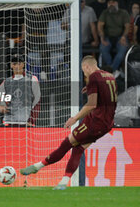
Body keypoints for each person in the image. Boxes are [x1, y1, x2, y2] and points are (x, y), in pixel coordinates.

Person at [20, 55, 117, 190]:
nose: (85, 74)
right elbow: (108, 96)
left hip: (95, 122)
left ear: (87, 67)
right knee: (78, 149)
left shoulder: (94, 76)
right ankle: (63, 183)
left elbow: (92, 104)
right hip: (107, 123)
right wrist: (89, 88)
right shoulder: (109, 76)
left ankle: (38, 166)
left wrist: (75, 118)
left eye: (84, 71)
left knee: (66, 144)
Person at [0, 54, 40, 126]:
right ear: (11, 65)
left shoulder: (32, 79)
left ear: (23, 64)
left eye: (19, 63)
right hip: (9, 122)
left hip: (25, 122)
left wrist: (31, 120)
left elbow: (37, 101)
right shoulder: (7, 81)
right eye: (14, 64)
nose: (17, 66)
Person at [98, 0, 130, 71]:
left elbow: (127, 26)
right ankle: (113, 70)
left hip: (120, 37)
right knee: (103, 49)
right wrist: (102, 38)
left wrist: (123, 37)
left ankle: (111, 71)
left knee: (122, 51)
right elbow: (100, 25)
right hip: (108, 37)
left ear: (117, 3)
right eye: (109, 3)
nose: (111, 4)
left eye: (113, 2)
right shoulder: (105, 12)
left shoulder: (123, 12)